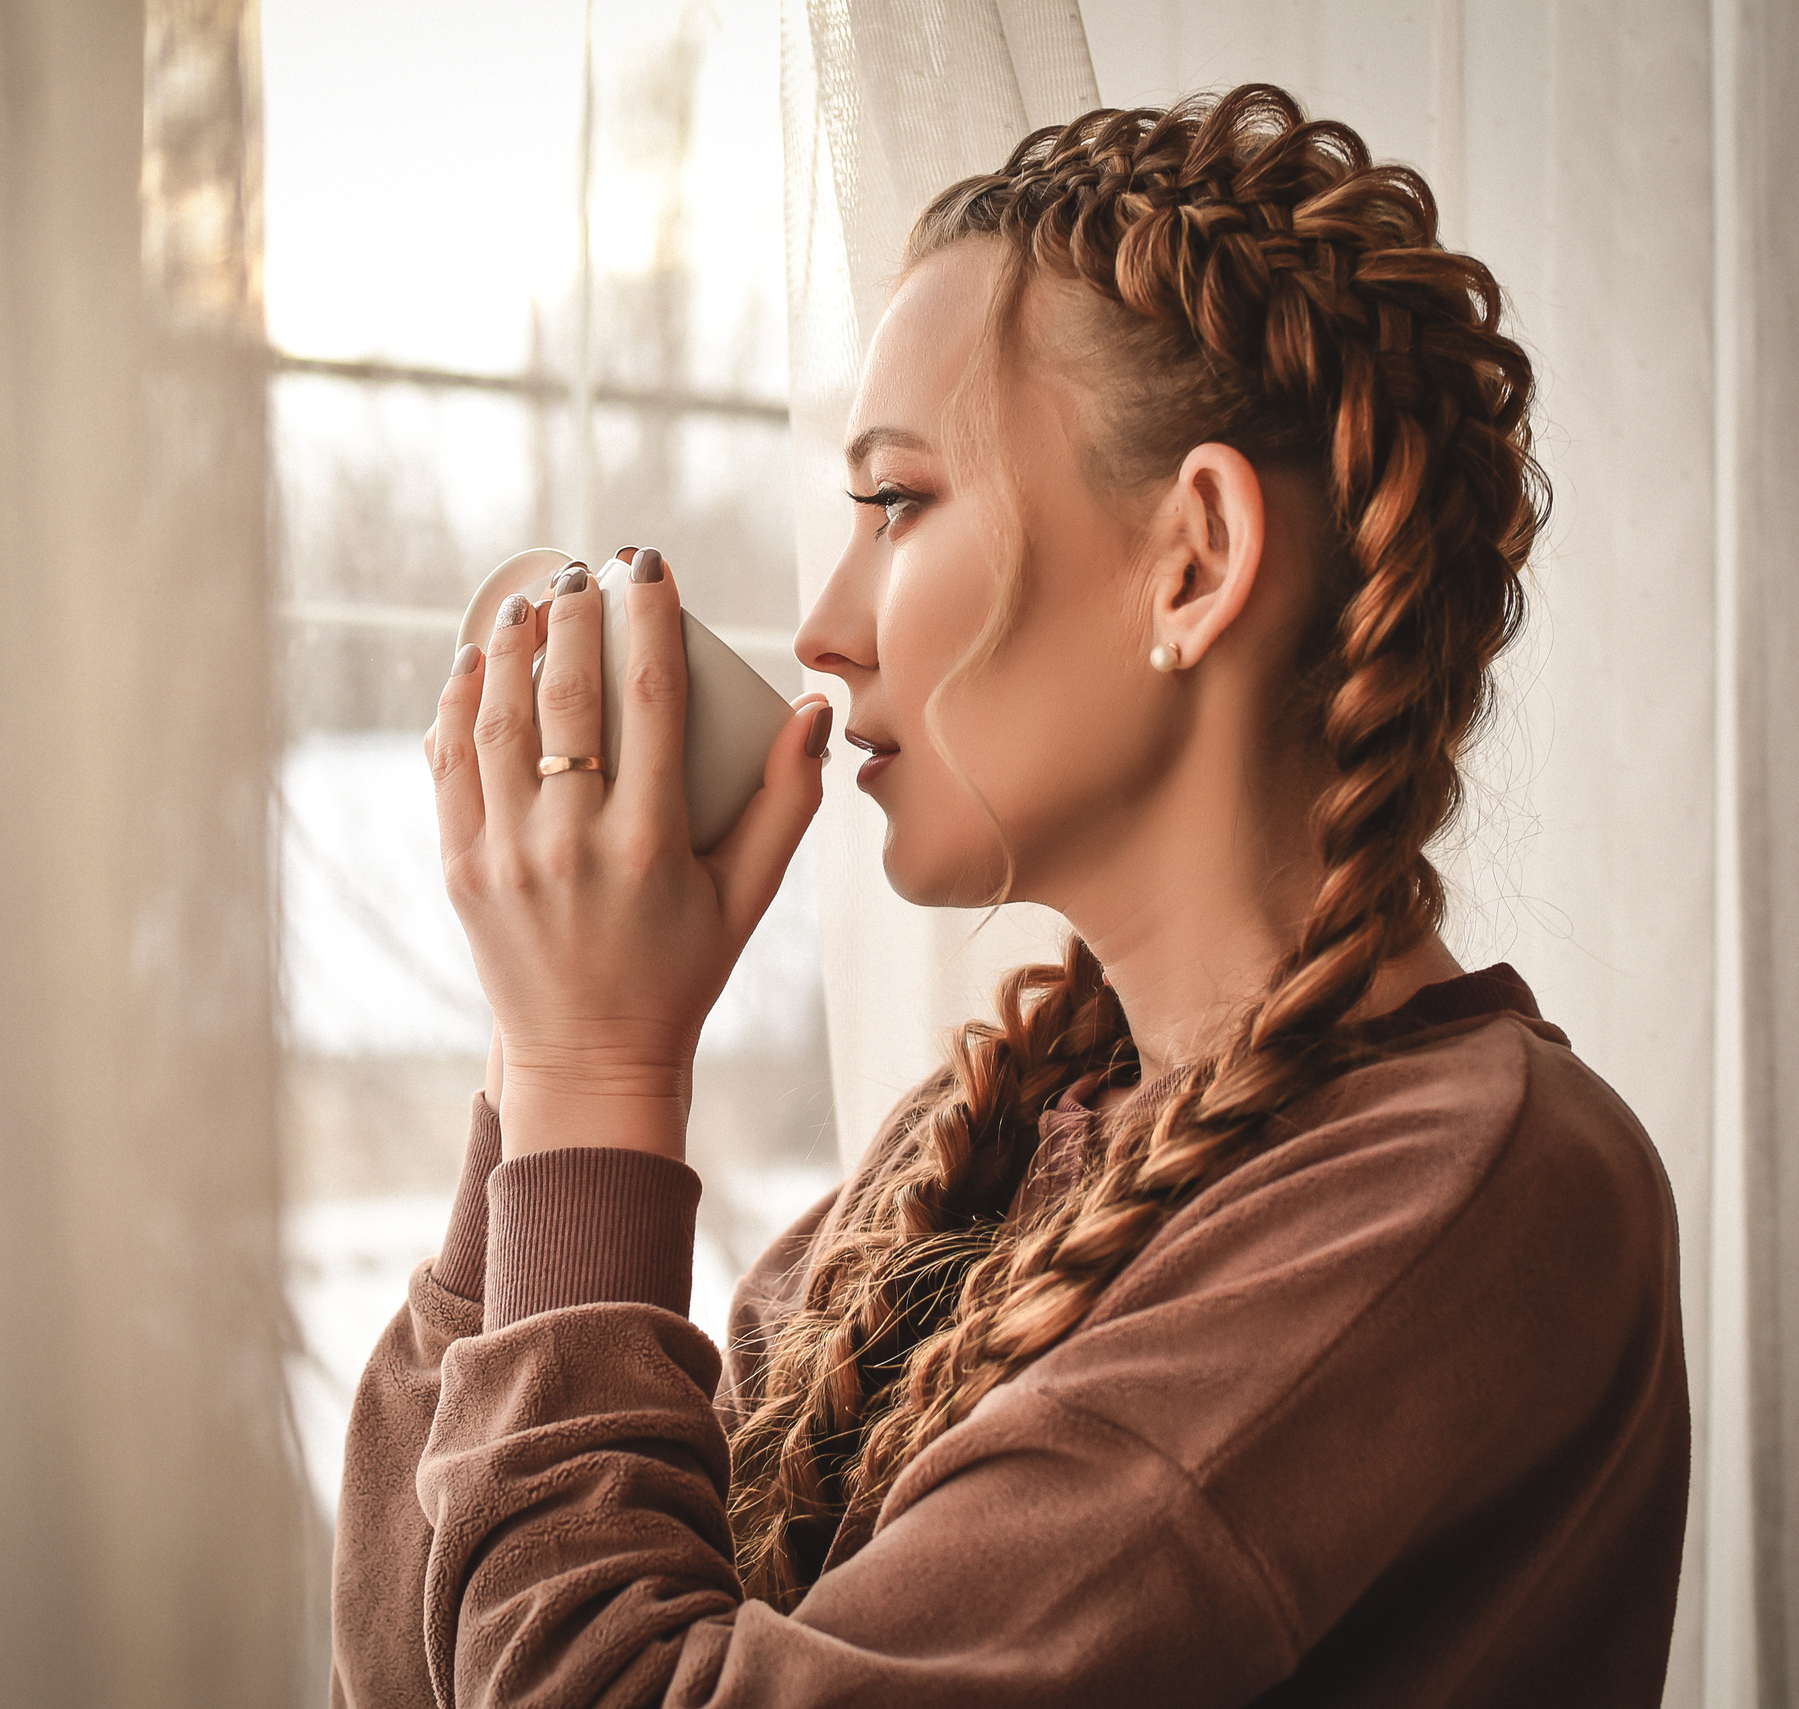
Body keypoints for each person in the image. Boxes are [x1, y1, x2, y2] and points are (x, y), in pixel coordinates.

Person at [333, 85, 1688, 1707]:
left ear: (1192, 558)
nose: (828, 625)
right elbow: (422, 1663)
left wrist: (596, 1083)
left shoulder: (1479, 1191)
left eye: (898, 502)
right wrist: (539, 1048)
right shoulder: (981, 1141)